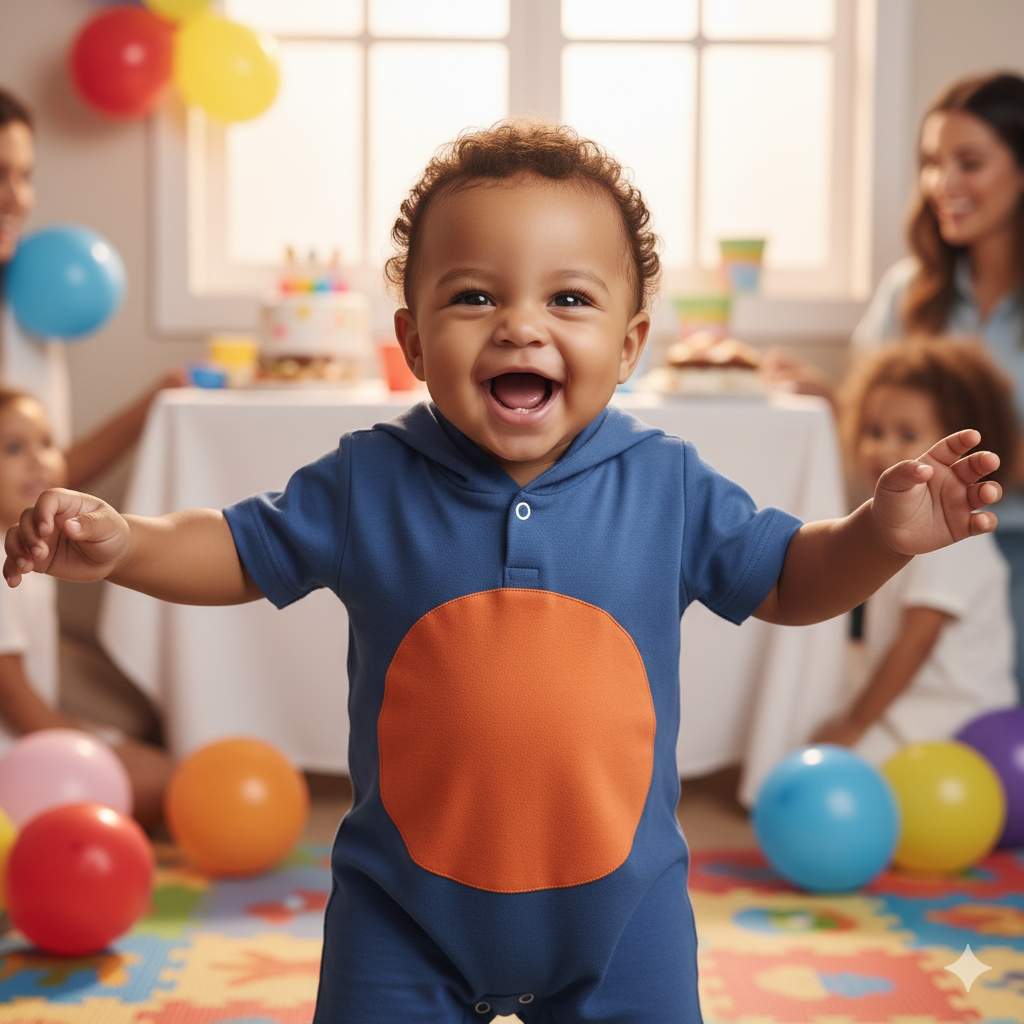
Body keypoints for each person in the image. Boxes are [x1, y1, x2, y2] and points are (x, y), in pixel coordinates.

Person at [3, 122, 1004, 1024]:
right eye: (473, 295)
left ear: (628, 345)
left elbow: (792, 579)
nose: (519, 324)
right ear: (411, 342)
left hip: (622, 918)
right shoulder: (369, 478)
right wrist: (125, 542)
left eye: (568, 298)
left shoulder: (669, 483)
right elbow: (233, 546)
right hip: (401, 914)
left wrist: (878, 534)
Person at [811, 340, 1018, 762]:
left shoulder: (953, 539)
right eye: (873, 431)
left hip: (953, 712)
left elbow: (917, 638)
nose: (882, 449)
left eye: (907, 435)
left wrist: (856, 722)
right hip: (914, 698)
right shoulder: (891, 524)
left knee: (836, 759)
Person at [0, 386, 171, 829]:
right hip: (16, 754)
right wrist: (87, 747)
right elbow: (15, 698)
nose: (39, 459)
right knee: (172, 789)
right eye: (14, 447)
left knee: (163, 771)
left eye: (47, 442)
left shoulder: (23, 539)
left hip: (32, 735)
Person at [0, 86, 184, 481]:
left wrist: (161, 398)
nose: (16, 198)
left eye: (25, 176)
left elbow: (44, 478)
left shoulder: (32, 303)